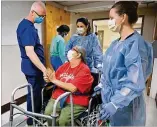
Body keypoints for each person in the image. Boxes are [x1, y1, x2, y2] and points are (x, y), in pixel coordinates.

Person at [94, 1, 153, 126]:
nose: (109, 21)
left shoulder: (136, 45)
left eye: (111, 17)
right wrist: (101, 85)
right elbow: (108, 70)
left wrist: (116, 103)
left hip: (127, 107)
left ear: (123, 17)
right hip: (112, 104)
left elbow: (134, 82)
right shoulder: (115, 44)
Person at [44, 46, 94, 126]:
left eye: (73, 50)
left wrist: (54, 80)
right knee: (48, 114)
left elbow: (73, 88)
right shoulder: (65, 66)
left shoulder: (84, 69)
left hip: (76, 100)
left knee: (63, 121)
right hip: (58, 97)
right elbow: (54, 77)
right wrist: (48, 78)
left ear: (79, 55)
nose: (70, 51)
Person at [16, 2, 46, 126]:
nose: (42, 19)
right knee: (34, 95)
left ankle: (35, 117)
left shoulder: (30, 25)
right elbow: (30, 52)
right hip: (33, 69)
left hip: (33, 68)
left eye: (44, 16)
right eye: (41, 16)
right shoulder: (27, 27)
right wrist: (44, 69)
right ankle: (32, 121)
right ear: (32, 12)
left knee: (36, 94)